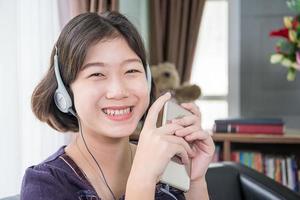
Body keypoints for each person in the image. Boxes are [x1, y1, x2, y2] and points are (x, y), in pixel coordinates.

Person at [20, 11, 215, 200]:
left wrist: (195, 181)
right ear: (65, 91)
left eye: (131, 70)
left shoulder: (169, 163)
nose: (119, 91)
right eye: (97, 74)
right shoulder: (45, 184)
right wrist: (143, 180)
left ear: (147, 79)